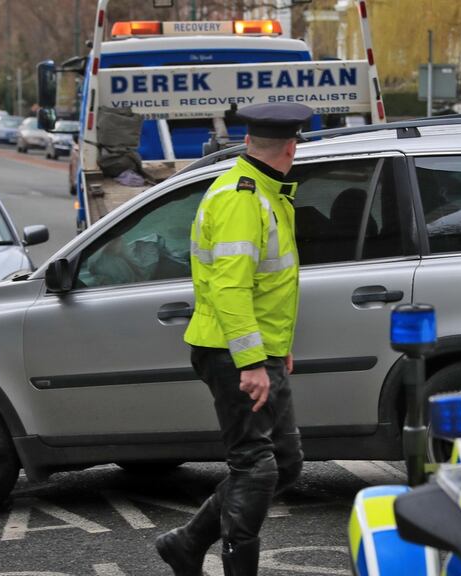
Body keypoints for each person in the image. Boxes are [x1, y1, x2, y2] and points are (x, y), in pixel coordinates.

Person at [155, 102, 313, 576]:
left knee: (283, 462)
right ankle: (228, 563)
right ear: (291, 146)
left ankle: (187, 543)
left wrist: (277, 350)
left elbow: (266, 285)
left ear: (248, 142)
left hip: (255, 349)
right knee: (258, 466)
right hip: (232, 351)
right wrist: (250, 363)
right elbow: (229, 286)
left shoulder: (264, 191)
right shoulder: (244, 199)